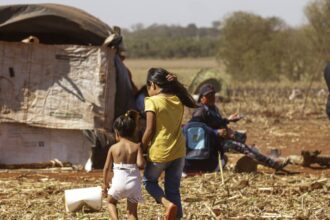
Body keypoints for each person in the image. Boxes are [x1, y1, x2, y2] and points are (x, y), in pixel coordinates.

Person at [184, 84, 289, 173]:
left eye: (213, 94)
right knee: (243, 148)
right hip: (212, 144)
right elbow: (194, 131)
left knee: (242, 138)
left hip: (221, 139)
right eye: (208, 95)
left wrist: (228, 121)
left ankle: (267, 158)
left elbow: (215, 123)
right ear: (202, 98)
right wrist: (216, 132)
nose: (212, 97)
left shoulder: (213, 108)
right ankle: (274, 164)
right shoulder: (200, 111)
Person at [142, 68, 197, 220]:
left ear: (152, 84)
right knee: (173, 189)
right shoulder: (177, 99)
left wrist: (141, 149)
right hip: (179, 151)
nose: (148, 91)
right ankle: (176, 215)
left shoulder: (151, 101)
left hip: (160, 152)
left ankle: (167, 205)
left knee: (148, 181)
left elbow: (149, 129)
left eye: (148, 87)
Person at [103, 110, 145, 220]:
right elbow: (141, 164)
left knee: (110, 203)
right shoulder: (136, 147)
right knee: (132, 213)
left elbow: (106, 168)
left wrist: (105, 184)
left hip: (118, 182)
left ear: (117, 133)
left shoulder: (113, 148)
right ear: (133, 132)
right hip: (134, 184)